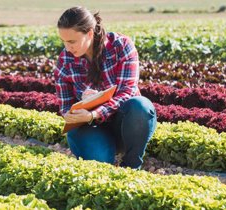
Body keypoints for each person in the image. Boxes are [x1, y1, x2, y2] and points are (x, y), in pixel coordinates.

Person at [54, 6, 157, 169]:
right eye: (64, 41)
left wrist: (94, 113)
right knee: (100, 163)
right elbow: (66, 108)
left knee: (140, 106)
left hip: (123, 124)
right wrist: (79, 108)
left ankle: (132, 165)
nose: (67, 48)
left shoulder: (121, 46)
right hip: (90, 128)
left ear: (89, 33)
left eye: (72, 41)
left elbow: (128, 92)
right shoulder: (65, 60)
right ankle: (103, 151)